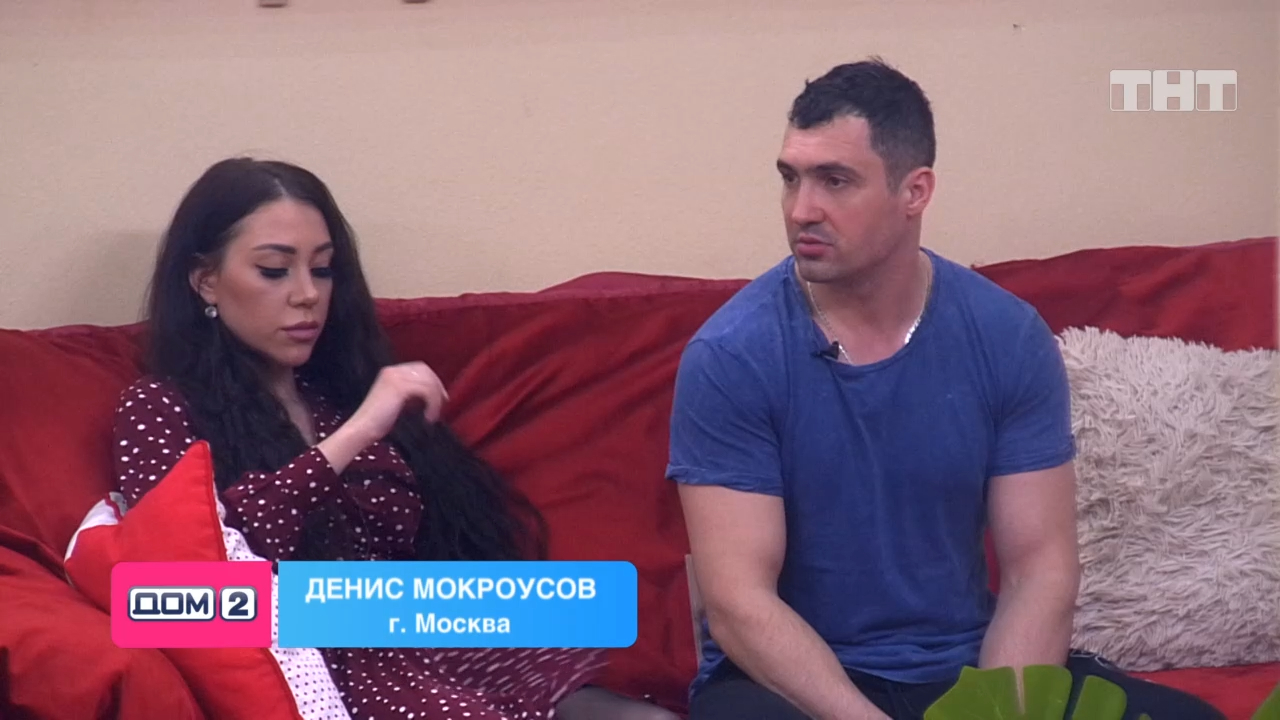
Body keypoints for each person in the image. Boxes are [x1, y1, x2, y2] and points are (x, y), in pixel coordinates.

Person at [666, 58, 1227, 720]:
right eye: (791, 178)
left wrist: (998, 712)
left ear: (915, 192)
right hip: (797, 685)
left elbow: (1039, 570)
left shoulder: (1005, 335)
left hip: (963, 671)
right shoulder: (731, 356)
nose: (801, 210)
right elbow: (739, 603)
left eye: (835, 181)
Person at [113, 157, 678, 720]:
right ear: (206, 281)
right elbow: (188, 590)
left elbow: (444, 550)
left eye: (323, 269)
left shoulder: (340, 388)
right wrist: (358, 432)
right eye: (274, 270)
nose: (308, 294)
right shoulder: (160, 407)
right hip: (320, 666)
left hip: (428, 640)